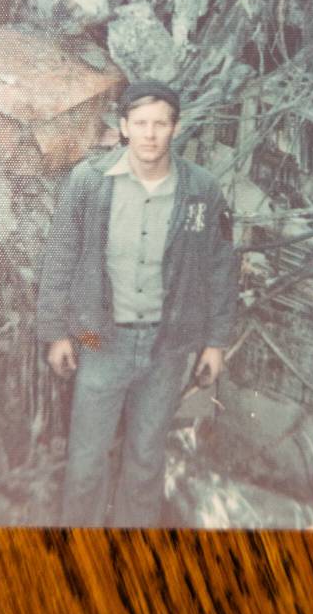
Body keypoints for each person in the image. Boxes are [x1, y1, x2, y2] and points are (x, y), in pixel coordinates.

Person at [37, 80, 237, 526]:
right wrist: (56, 334)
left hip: (168, 345)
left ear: (175, 128)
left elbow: (221, 268)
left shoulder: (202, 190)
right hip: (99, 339)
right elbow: (60, 257)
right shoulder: (89, 182)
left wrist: (215, 342)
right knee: (86, 460)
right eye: (141, 123)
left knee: (146, 458)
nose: (150, 134)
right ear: (124, 126)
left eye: (160, 124)